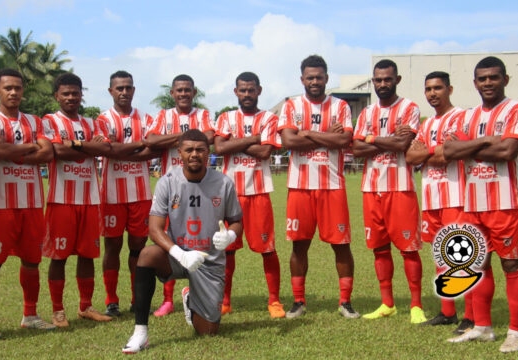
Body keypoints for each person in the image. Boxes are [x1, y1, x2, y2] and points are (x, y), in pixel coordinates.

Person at [122, 129, 243, 354]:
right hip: (178, 255)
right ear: (180, 153)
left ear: (209, 153)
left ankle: (190, 299)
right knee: (147, 254)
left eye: (200, 150)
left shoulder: (223, 182)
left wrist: (230, 235)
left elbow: (237, 221)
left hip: (209, 261)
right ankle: (140, 332)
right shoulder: (168, 181)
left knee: (207, 332)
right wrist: (181, 254)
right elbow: (154, 229)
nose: (194, 154)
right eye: (189, 150)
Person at [444, 56, 518, 353]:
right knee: (476, 264)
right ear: (475, 83)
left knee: (511, 264)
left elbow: (508, 150)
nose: (488, 83)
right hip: (473, 204)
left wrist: (471, 146)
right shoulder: (467, 117)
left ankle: (516, 333)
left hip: (506, 202)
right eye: (482, 78)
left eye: (494, 77)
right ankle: (482, 327)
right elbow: (449, 149)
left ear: (505, 79)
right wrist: (486, 142)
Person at [0, 69, 56, 339]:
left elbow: (47, 153)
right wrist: (29, 148)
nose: (13, 92)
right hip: (1, 206)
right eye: (8, 88)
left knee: (32, 261)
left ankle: (30, 315)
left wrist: (15, 151)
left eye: (18, 88)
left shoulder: (35, 121)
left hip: (33, 204)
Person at [278, 55, 359, 319]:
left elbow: (345, 139)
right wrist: (327, 136)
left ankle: (345, 302)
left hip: (332, 186)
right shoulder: (291, 105)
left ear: (327, 78)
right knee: (299, 246)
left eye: (319, 77)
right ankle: (299, 301)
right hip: (299, 187)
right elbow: (289, 141)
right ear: (302, 79)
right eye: (310, 77)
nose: (314, 81)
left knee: (342, 245)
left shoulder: (341, 106)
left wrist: (306, 133)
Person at [352, 59, 426, 323]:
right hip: (371, 190)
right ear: (373, 82)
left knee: (408, 248)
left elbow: (403, 144)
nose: (383, 84)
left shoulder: (409, 108)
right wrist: (384, 140)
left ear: (397, 80)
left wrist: (370, 139)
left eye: (387, 79)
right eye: (378, 80)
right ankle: (388, 304)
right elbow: (356, 148)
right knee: (379, 249)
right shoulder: (366, 113)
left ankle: (416, 305)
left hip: (401, 188)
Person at [405, 71, 474, 332]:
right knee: (440, 255)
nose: (432, 93)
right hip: (432, 198)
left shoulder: (462, 118)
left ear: (450, 89)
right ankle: (448, 312)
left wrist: (427, 153)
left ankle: (471, 315)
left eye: (438, 88)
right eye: (428, 89)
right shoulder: (426, 124)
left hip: (457, 195)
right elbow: (411, 157)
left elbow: (452, 156)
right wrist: (437, 151)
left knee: (461, 255)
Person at [42, 73, 113, 327]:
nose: (71, 97)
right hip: (61, 199)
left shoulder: (92, 122)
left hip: (90, 199)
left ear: (82, 94)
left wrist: (72, 144)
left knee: (87, 255)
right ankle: (58, 310)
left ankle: (85, 306)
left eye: (76, 93)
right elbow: (56, 151)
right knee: (58, 256)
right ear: (57, 96)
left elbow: (105, 149)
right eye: (66, 93)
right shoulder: (50, 120)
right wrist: (85, 146)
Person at [144, 74, 215, 317]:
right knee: (168, 239)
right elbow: (151, 139)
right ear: (172, 94)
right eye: (179, 90)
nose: (183, 94)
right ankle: (167, 300)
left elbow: (209, 137)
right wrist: (184, 138)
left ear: (194, 92)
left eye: (187, 90)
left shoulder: (203, 114)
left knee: (199, 238)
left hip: (199, 185)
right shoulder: (163, 116)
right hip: (171, 187)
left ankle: (196, 291)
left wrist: (173, 140)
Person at [214, 71, 284, 317]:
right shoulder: (225, 117)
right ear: (236, 91)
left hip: (259, 192)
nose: (246, 94)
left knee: (267, 248)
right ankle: (224, 301)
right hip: (229, 194)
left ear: (259, 91)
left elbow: (265, 153)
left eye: (250, 90)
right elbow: (220, 147)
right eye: (242, 90)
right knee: (227, 249)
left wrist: (237, 141)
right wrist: (254, 138)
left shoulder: (268, 118)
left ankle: (274, 301)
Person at [97, 71, 161, 316]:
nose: (124, 92)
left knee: (138, 247)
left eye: (128, 88)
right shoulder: (102, 120)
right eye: (119, 88)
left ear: (134, 90)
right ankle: (112, 300)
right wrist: (136, 147)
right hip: (112, 195)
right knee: (112, 247)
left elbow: (153, 150)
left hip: (141, 193)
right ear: (111, 91)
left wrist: (118, 149)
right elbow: (108, 150)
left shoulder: (146, 119)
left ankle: (137, 299)